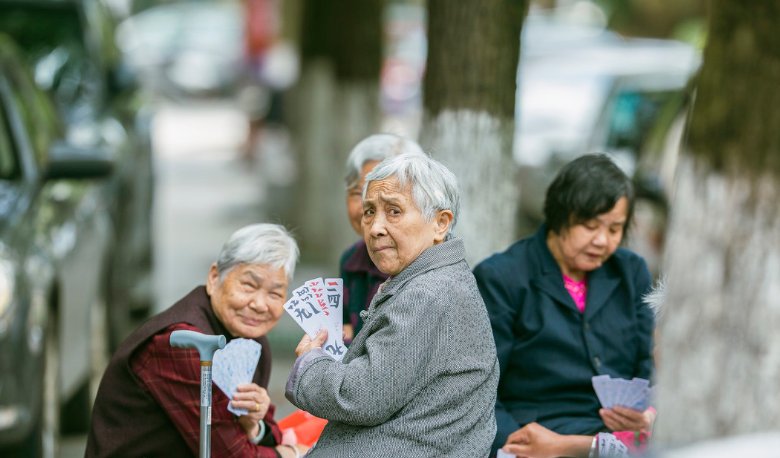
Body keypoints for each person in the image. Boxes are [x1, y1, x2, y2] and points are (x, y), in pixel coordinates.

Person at [286, 153, 500, 456]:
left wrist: (311, 364)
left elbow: (361, 397)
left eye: (394, 211)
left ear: (440, 223)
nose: (375, 228)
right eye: (369, 212)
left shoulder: (428, 293)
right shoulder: (439, 280)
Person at [473, 154, 656, 457]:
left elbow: (646, 361)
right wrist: (515, 442)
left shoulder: (631, 272)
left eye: (614, 229)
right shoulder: (502, 278)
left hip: (621, 440)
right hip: (537, 434)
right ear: (560, 216)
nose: (602, 241)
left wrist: (649, 412)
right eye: (590, 226)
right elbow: (478, 390)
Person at [86, 224, 307, 458]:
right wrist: (290, 454)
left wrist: (254, 426)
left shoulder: (250, 340)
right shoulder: (183, 344)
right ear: (214, 277)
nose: (260, 305)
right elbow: (229, 454)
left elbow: (268, 429)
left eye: (275, 293)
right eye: (249, 286)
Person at [339, 133, 425, 341]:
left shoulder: (427, 270)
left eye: (389, 202)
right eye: (358, 193)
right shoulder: (351, 260)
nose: (366, 207)